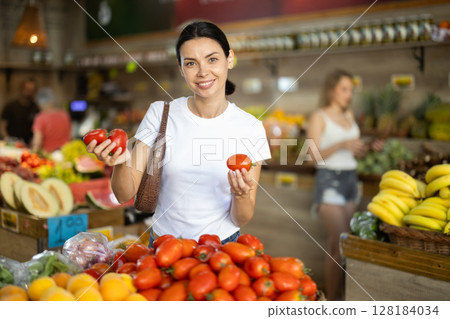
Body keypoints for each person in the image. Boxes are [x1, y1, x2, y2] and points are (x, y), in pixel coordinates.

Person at [87, 21, 271, 247]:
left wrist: (241, 195)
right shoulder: (160, 113)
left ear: (229, 59)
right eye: (191, 63)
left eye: (212, 59)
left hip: (221, 247)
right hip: (164, 245)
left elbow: (240, 218)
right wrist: (120, 161)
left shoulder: (250, 127)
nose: (203, 71)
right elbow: (125, 194)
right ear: (181, 68)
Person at [307, 69, 383, 300]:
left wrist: (369, 147)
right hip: (330, 180)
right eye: (344, 89)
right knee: (342, 243)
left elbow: (351, 151)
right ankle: (333, 301)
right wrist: (341, 145)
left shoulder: (349, 114)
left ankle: (339, 299)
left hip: (351, 180)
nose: (349, 94)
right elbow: (311, 157)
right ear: (331, 90)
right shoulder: (318, 117)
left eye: (351, 90)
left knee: (339, 246)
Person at [31, 87, 72, 153]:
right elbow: (70, 137)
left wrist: (33, 152)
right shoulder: (65, 115)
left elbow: (37, 142)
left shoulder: (40, 117)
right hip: (64, 153)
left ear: (39, 103)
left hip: (48, 155)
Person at [0, 78, 40, 145]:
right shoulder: (10, 106)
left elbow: (36, 131)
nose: (29, 92)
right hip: (9, 145)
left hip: (27, 146)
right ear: (22, 88)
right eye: (27, 89)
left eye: (31, 90)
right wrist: (9, 141)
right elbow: (2, 127)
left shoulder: (36, 109)